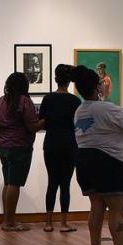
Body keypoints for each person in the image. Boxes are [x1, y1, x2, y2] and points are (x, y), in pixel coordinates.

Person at [72, 66, 123, 245]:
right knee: (116, 209)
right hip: (109, 163)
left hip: (85, 161)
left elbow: (99, 122)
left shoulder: (80, 110)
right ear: (98, 87)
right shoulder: (105, 108)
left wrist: (120, 111)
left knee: (96, 207)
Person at [0, 72, 45, 231]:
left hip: (3, 146)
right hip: (20, 147)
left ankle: (6, 219)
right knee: (14, 184)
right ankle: (10, 223)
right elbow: (33, 126)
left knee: (8, 183)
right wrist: (46, 119)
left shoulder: (2, 100)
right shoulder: (24, 101)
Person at [39, 65, 81, 232]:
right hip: (70, 144)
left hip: (51, 144)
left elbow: (42, 121)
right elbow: (79, 125)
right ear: (69, 81)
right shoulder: (75, 101)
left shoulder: (48, 99)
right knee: (65, 184)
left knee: (52, 182)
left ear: (55, 79)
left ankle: (48, 223)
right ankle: (64, 223)